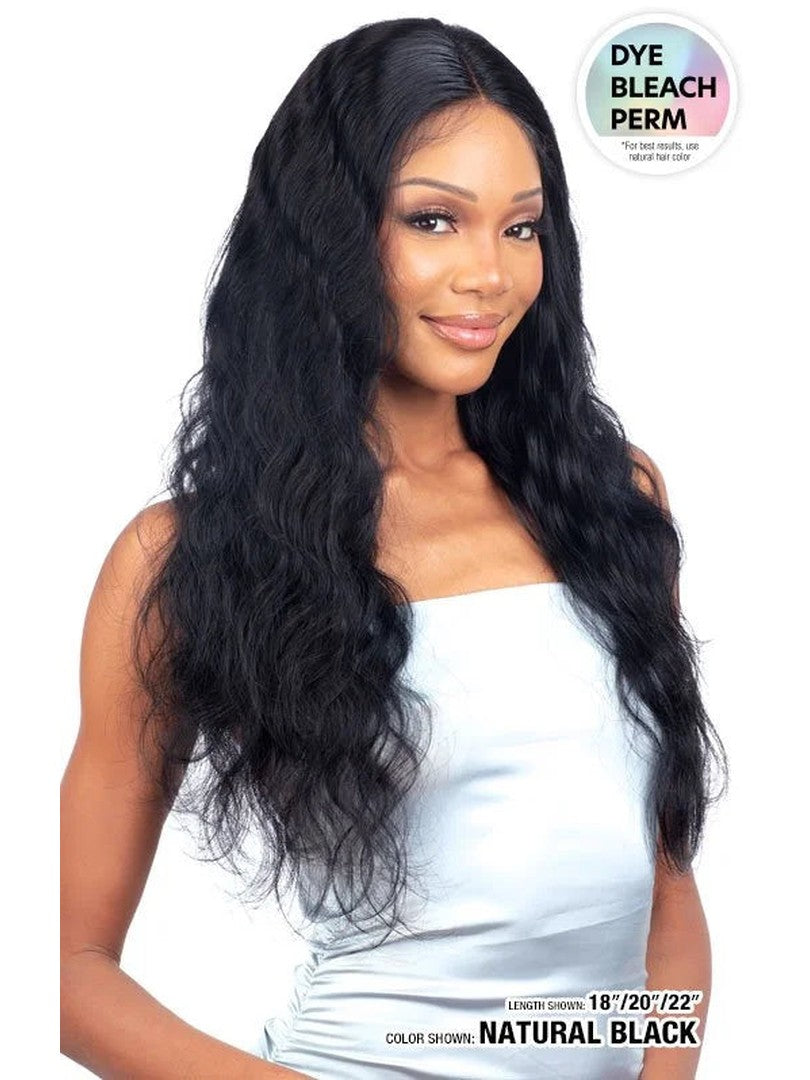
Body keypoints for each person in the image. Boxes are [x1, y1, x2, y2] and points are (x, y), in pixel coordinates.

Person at [60, 17, 727, 1080]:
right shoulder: (182, 561)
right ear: (326, 236)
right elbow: (65, 972)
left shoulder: (612, 504)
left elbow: (664, 892)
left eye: (521, 227)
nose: (490, 275)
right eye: (434, 220)